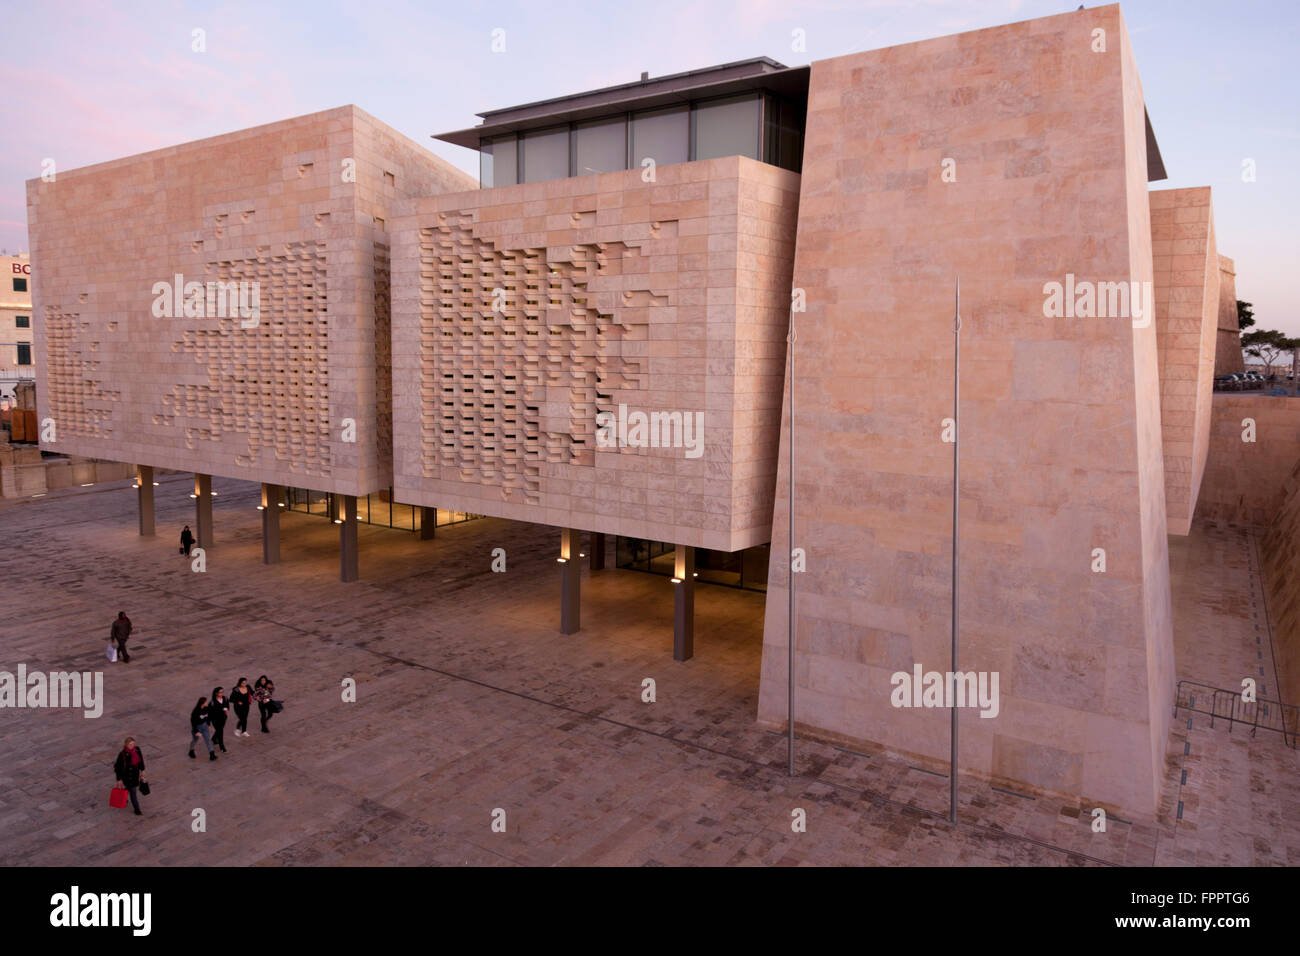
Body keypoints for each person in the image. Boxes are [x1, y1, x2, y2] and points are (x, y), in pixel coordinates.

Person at [112, 737, 146, 816]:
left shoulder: (137, 750)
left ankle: (124, 797)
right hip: (127, 777)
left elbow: (141, 760)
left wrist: (143, 770)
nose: (132, 746)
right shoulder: (122, 754)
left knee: (128, 788)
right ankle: (137, 809)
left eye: (133, 744)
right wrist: (119, 779)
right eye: (130, 744)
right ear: (126, 745)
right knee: (133, 793)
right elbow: (118, 768)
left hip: (135, 775)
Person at [189, 696, 217, 761]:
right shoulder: (196, 711)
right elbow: (193, 722)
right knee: (195, 740)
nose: (207, 703)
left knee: (208, 740)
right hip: (197, 727)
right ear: (202, 703)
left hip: (204, 726)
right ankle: (191, 750)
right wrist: (196, 731)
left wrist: (208, 723)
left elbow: (208, 717)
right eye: (206, 702)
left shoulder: (206, 708)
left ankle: (212, 754)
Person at [208, 686, 230, 753]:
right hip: (215, 719)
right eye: (220, 692)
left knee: (219, 730)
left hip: (223, 718)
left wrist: (227, 709)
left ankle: (214, 739)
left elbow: (227, 706)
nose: (221, 694)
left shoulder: (225, 698)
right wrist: (208, 723)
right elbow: (209, 713)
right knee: (220, 732)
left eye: (222, 692)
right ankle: (222, 747)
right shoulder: (212, 703)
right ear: (216, 693)